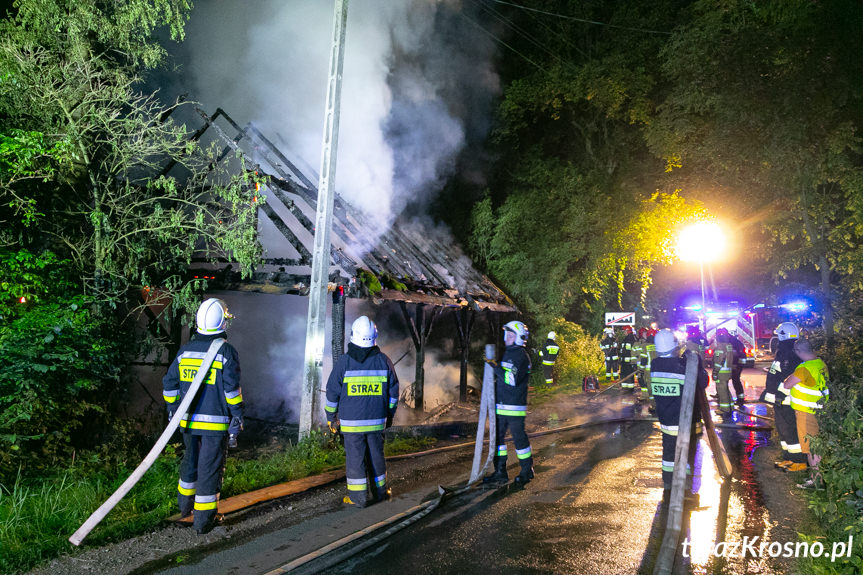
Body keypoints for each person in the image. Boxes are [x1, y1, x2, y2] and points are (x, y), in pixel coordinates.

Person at [162, 298, 244, 534]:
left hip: (187, 422)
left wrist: (172, 408)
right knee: (209, 469)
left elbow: (169, 384)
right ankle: (204, 522)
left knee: (190, 464)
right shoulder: (226, 352)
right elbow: (231, 392)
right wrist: (237, 416)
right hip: (215, 425)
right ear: (222, 323)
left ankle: (184, 509)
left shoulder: (185, 350)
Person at [326, 316, 399, 508]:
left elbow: (332, 392)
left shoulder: (345, 362)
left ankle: (358, 499)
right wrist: (389, 415)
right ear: (375, 336)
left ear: (353, 335)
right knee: (376, 456)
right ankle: (381, 493)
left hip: (351, 424)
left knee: (355, 459)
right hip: (376, 423)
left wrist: (330, 418)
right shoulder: (384, 361)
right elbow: (393, 393)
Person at [650, 329, 708, 494]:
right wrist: (696, 361)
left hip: (665, 419)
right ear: (673, 345)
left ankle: (668, 482)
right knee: (685, 452)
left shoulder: (655, 364)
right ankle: (685, 482)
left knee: (668, 451)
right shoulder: (681, 366)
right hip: (682, 419)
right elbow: (702, 382)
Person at [484, 320, 534, 486]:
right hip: (502, 405)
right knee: (497, 439)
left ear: (519, 338)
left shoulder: (520, 356)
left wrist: (494, 367)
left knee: (519, 440)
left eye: (511, 335)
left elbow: (510, 379)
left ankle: (526, 471)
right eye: (507, 334)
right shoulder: (508, 352)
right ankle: (500, 472)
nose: (507, 337)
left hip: (514, 407)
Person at [783, 338, 829, 489]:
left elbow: (787, 384)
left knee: (811, 448)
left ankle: (817, 481)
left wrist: (790, 377)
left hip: (806, 412)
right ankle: (816, 477)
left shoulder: (804, 369)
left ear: (798, 352)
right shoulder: (820, 364)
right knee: (815, 445)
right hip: (819, 410)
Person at [762, 322, 807, 471]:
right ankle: (788, 457)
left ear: (783, 335)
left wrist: (780, 394)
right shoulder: (783, 351)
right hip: (780, 400)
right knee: (783, 430)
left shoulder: (791, 354)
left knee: (791, 430)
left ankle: (799, 461)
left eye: (778, 334)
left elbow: (789, 379)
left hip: (787, 401)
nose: (776, 338)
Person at [711, 329, 735, 414]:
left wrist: (715, 372)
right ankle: (731, 406)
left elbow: (718, 361)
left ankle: (725, 409)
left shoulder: (720, 347)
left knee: (722, 391)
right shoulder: (729, 346)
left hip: (721, 373)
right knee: (726, 389)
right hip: (727, 372)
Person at [728, 332, 746, 404]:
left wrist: (738, 366)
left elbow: (741, 355)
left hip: (737, 365)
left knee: (736, 381)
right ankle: (740, 399)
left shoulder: (735, 343)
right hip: (734, 365)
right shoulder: (732, 341)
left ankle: (740, 399)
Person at [619, 326, 637, 390]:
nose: (623, 332)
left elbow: (632, 351)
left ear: (628, 330)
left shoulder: (631, 339)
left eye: (624, 331)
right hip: (624, 361)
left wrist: (632, 361)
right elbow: (623, 350)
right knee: (624, 374)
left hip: (629, 362)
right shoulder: (626, 339)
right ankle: (624, 387)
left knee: (629, 374)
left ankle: (630, 388)